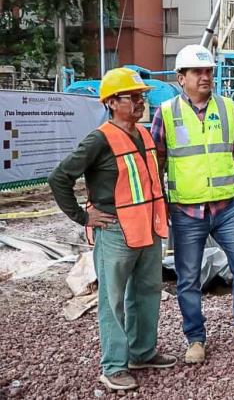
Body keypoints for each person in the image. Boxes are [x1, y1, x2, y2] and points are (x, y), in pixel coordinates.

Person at [49, 68, 176, 391]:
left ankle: (142, 352)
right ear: (110, 103)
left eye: (141, 97)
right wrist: (83, 217)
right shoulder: (99, 139)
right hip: (116, 232)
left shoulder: (143, 134)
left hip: (147, 228)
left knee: (146, 293)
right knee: (113, 299)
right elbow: (59, 178)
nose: (139, 102)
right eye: (132, 97)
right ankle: (114, 366)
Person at [150, 44, 234, 365]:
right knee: (188, 279)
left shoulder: (227, 108)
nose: (205, 77)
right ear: (181, 77)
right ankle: (195, 338)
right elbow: (156, 160)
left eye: (208, 72)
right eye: (197, 72)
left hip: (225, 209)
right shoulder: (167, 113)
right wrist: (159, 201)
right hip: (186, 211)